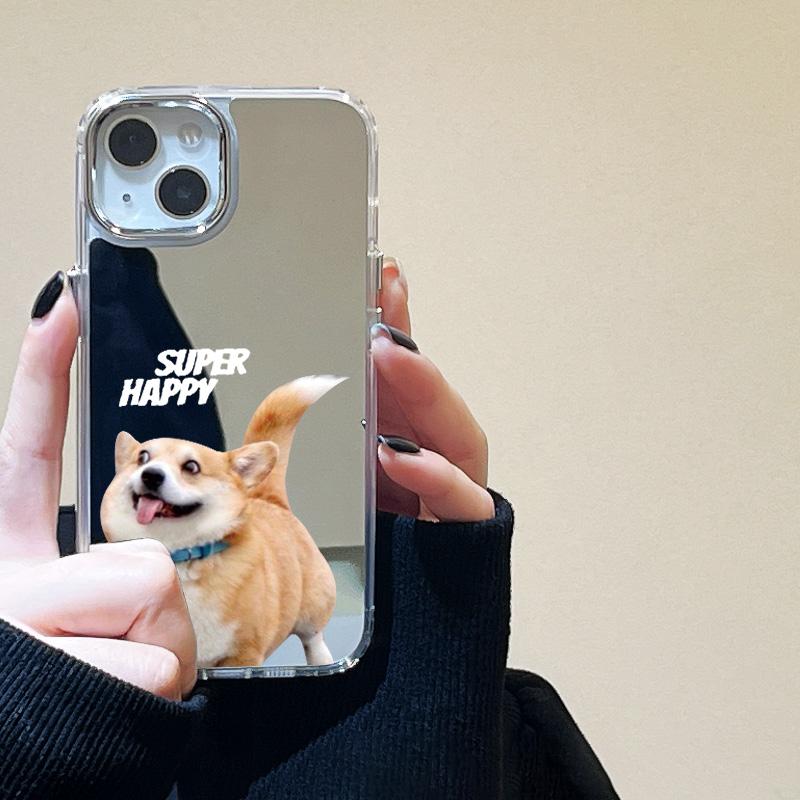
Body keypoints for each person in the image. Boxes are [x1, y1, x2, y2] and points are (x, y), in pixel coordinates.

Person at [0, 261, 618, 799]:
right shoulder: (61, 593)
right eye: (143, 461)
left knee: (311, 605)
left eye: (187, 467)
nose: (155, 473)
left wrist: (418, 733)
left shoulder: (520, 727)